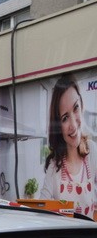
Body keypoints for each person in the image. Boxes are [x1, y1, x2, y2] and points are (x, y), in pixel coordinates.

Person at [40, 74, 95, 218]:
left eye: (75, 108)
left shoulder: (92, 151)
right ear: (58, 126)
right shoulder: (54, 166)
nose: (73, 124)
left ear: (81, 105)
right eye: (65, 118)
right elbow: (41, 211)